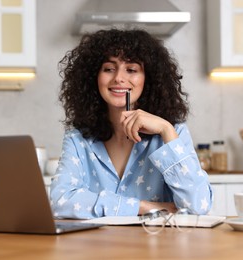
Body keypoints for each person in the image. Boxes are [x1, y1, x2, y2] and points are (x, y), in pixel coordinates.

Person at [50, 29, 213, 219]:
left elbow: (198, 205)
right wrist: (142, 207)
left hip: (160, 247)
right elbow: (59, 202)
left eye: (131, 70)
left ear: (148, 79)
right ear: (94, 77)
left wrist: (165, 129)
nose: (119, 78)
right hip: (96, 248)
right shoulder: (78, 140)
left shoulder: (174, 133)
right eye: (109, 69)